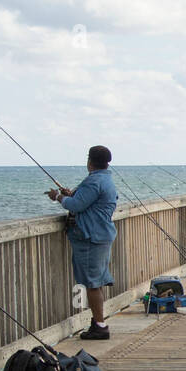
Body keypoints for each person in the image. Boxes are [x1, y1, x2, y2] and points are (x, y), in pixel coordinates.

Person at [46, 145, 118, 340]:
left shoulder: (94, 181)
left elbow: (76, 206)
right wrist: (73, 194)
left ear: (90, 161)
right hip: (101, 235)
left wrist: (59, 197)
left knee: (93, 284)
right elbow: (87, 202)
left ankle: (100, 326)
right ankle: (98, 321)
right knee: (97, 281)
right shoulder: (106, 179)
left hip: (90, 237)